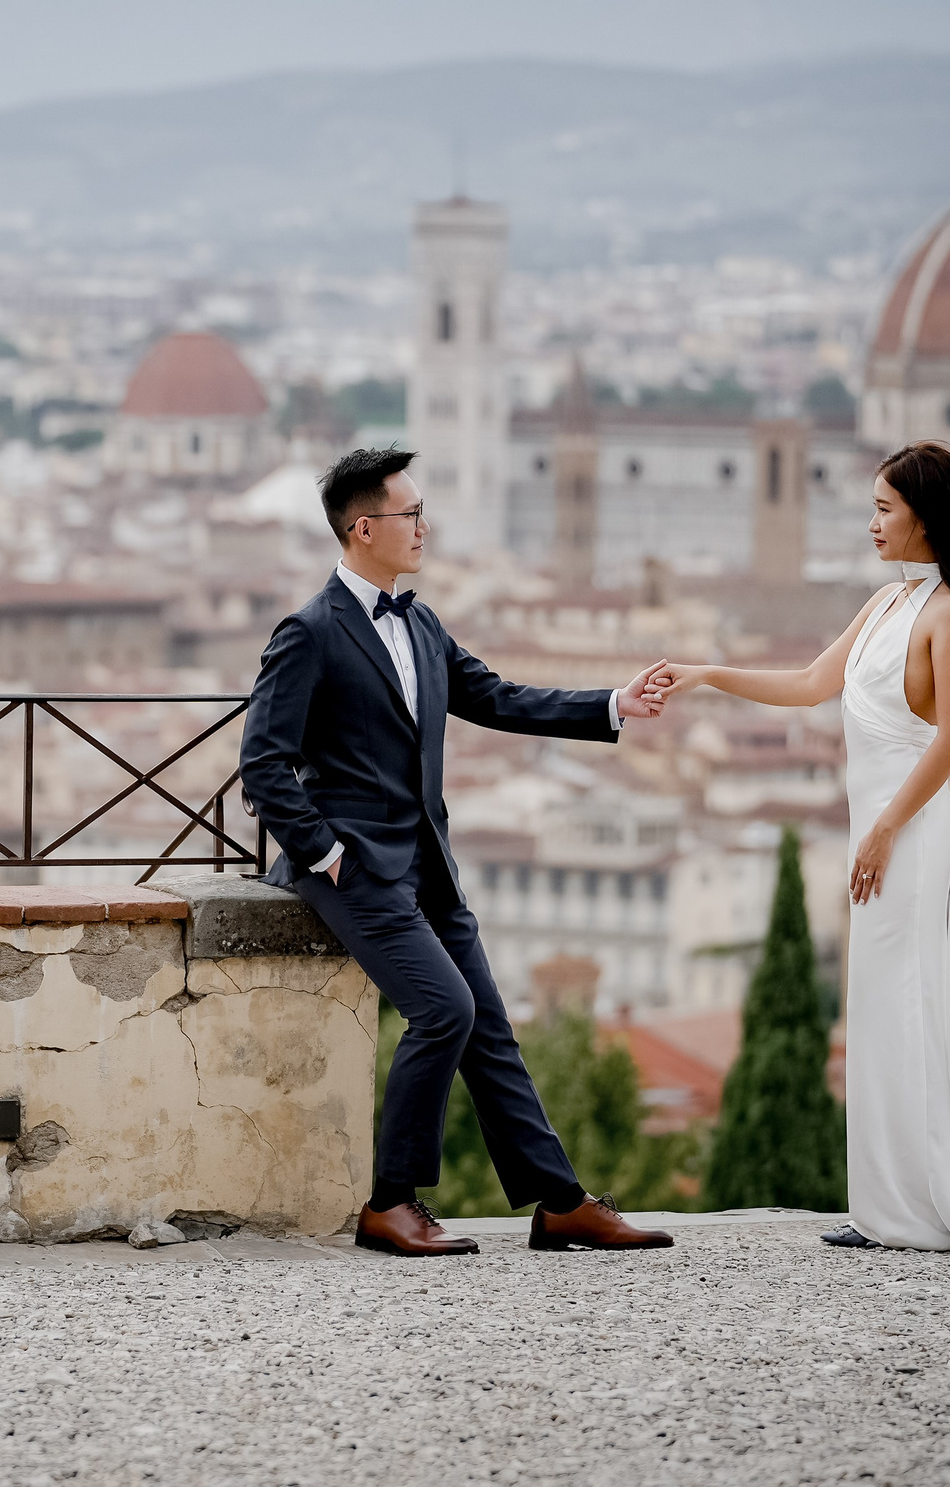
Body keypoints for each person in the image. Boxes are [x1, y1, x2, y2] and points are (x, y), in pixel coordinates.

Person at [240, 446, 678, 1257]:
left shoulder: (422, 620)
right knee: (445, 1011)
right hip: (356, 869)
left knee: (491, 1030)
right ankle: (389, 1202)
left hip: (429, 865)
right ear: (363, 527)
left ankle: (559, 1201)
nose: (423, 527)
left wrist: (612, 703)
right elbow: (262, 761)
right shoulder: (309, 632)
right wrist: (327, 853)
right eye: (410, 514)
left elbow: (498, 696)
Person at [649, 441, 950, 1253]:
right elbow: (808, 685)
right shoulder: (886, 605)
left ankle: (926, 1210)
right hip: (881, 839)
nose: (871, 524)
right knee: (881, 1015)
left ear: (925, 518)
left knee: (911, 1012)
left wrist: (887, 826)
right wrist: (709, 672)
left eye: (885, 509)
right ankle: (890, 1210)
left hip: (910, 842)